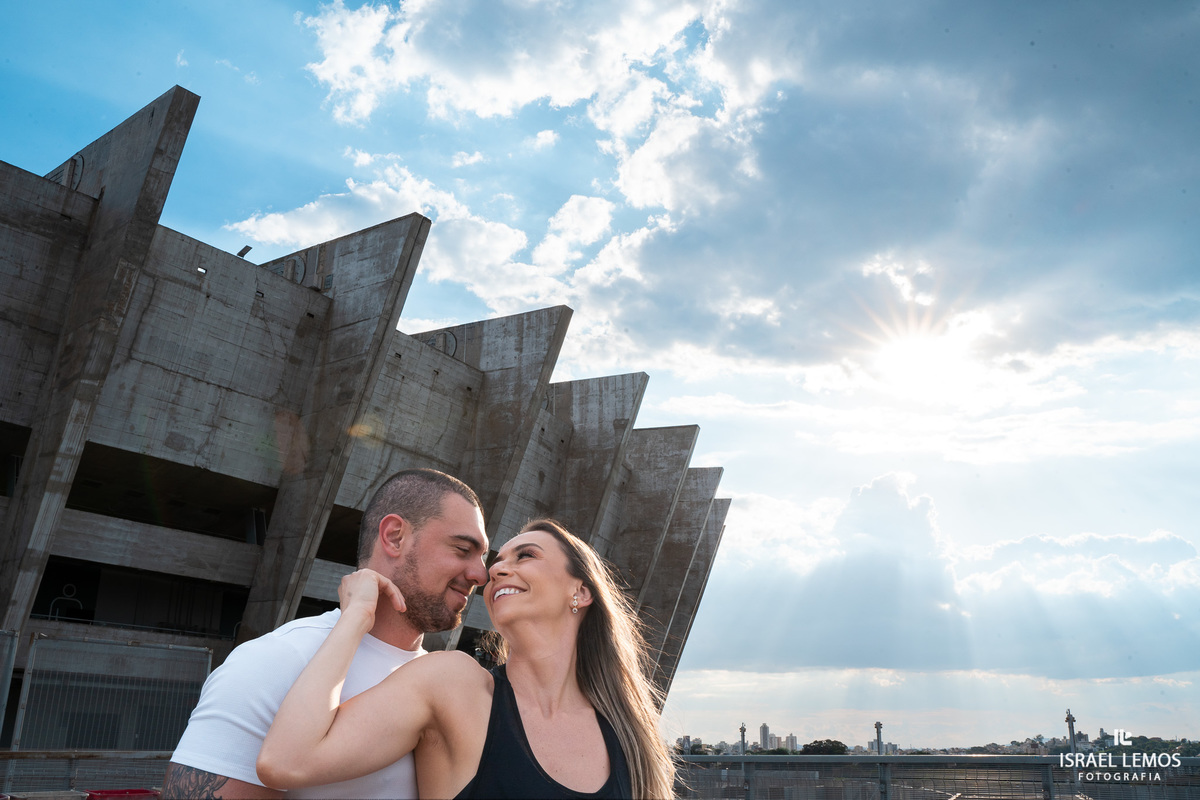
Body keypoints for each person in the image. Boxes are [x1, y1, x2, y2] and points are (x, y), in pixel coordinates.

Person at [256, 518, 675, 799]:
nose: (495, 571)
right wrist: (356, 618)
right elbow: (285, 761)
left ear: (580, 592)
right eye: (497, 563)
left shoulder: (631, 729)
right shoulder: (455, 684)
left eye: (525, 555)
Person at [164, 468, 489, 799]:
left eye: (483, 557)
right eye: (463, 549)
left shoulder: (448, 686)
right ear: (394, 537)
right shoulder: (275, 659)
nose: (480, 574)